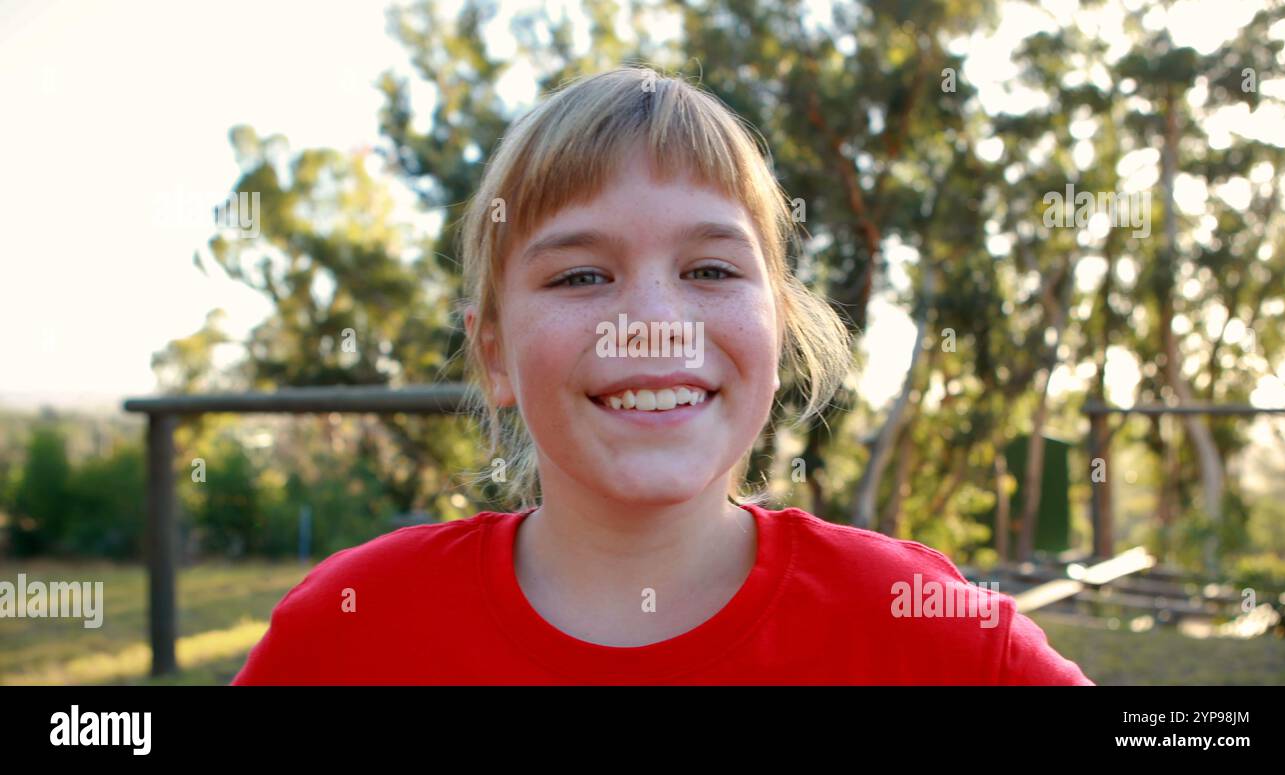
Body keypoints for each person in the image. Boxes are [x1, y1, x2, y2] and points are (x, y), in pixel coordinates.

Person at [231, 66, 1093, 685]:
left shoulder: (928, 632)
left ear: (779, 322)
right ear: (492, 353)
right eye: (580, 276)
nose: (651, 326)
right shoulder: (350, 630)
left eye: (711, 270)